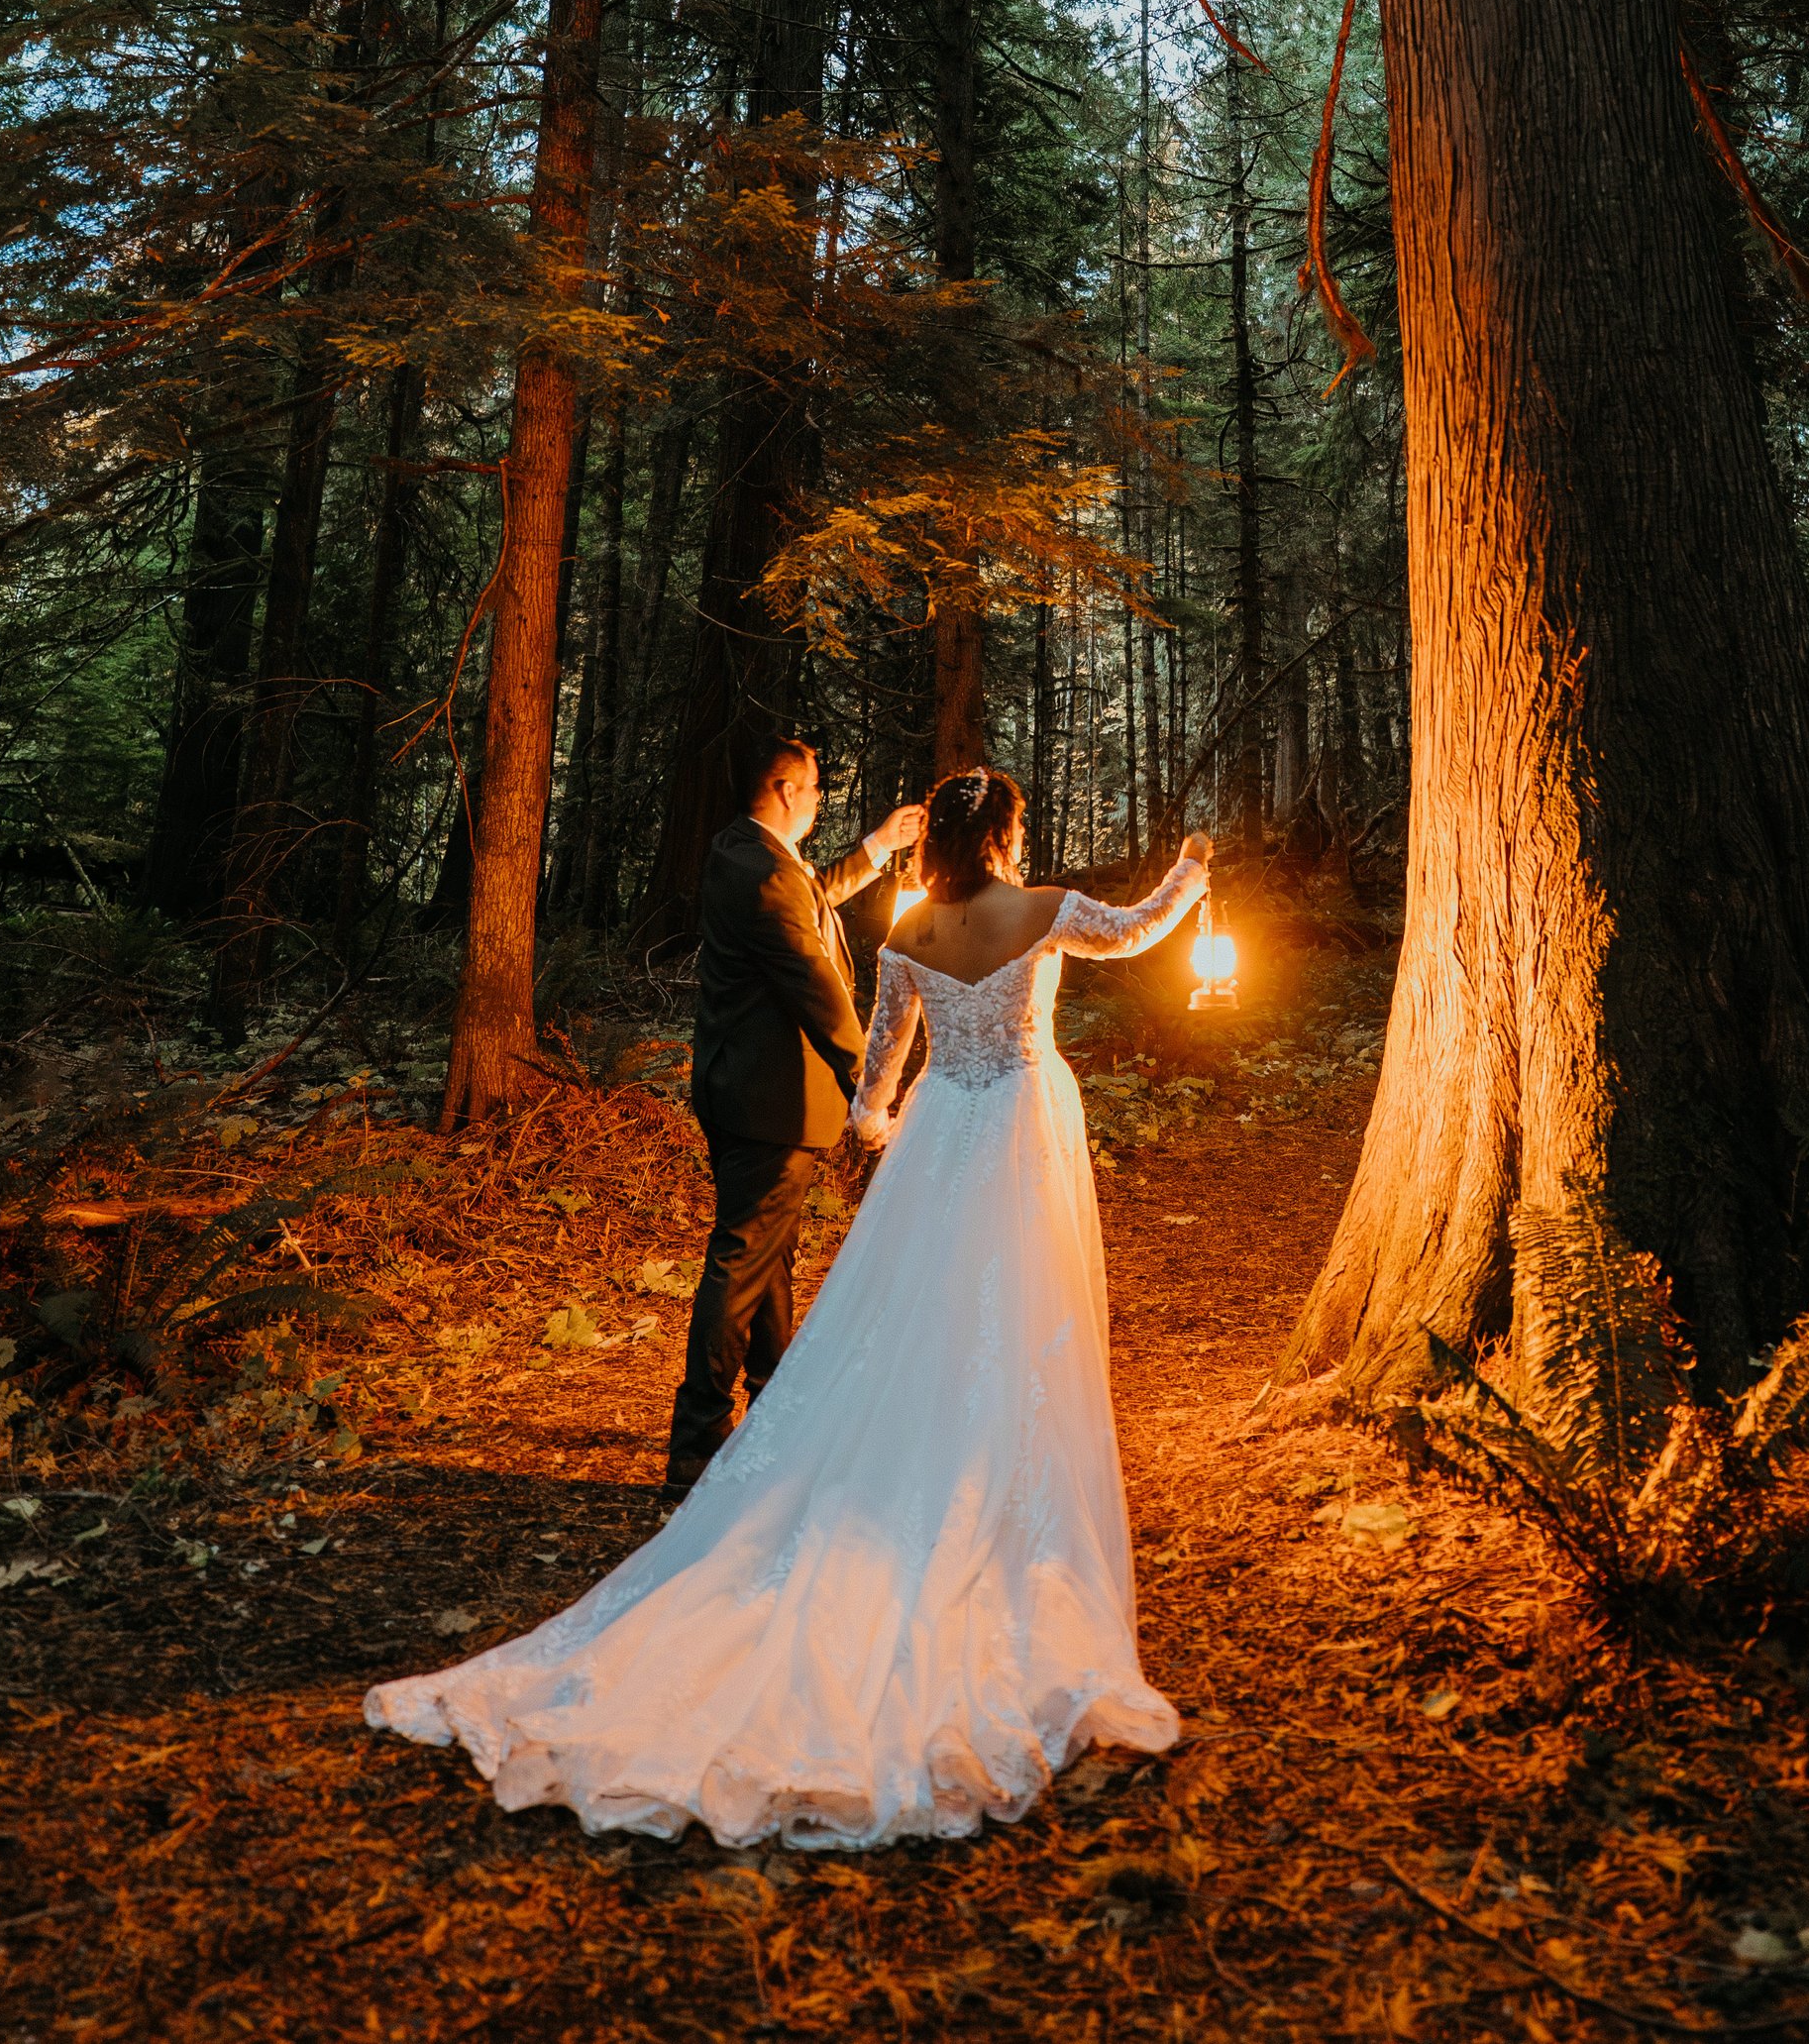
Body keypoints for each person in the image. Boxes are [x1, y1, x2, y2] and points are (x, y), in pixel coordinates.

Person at [365, 770, 1216, 1851]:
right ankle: (994, 1492)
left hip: (939, 1137)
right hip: (1019, 1132)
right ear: (1003, 836)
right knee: (1019, 1314)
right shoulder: (1045, 911)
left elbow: (874, 1093)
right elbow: (1137, 931)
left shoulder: (905, 932)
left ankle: (890, 1476)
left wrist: (880, 1130)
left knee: (907, 1321)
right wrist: (1192, 872)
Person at [667, 734, 925, 1496]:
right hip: (769, 1099)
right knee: (744, 1259)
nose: (819, 800)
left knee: (767, 1258)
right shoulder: (765, 878)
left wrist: (878, 847)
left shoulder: (745, 853)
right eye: (813, 789)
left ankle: (776, 1409)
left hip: (740, 1088)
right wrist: (873, 1085)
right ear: (784, 789)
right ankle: (699, 1442)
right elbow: (819, 990)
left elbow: (812, 894)